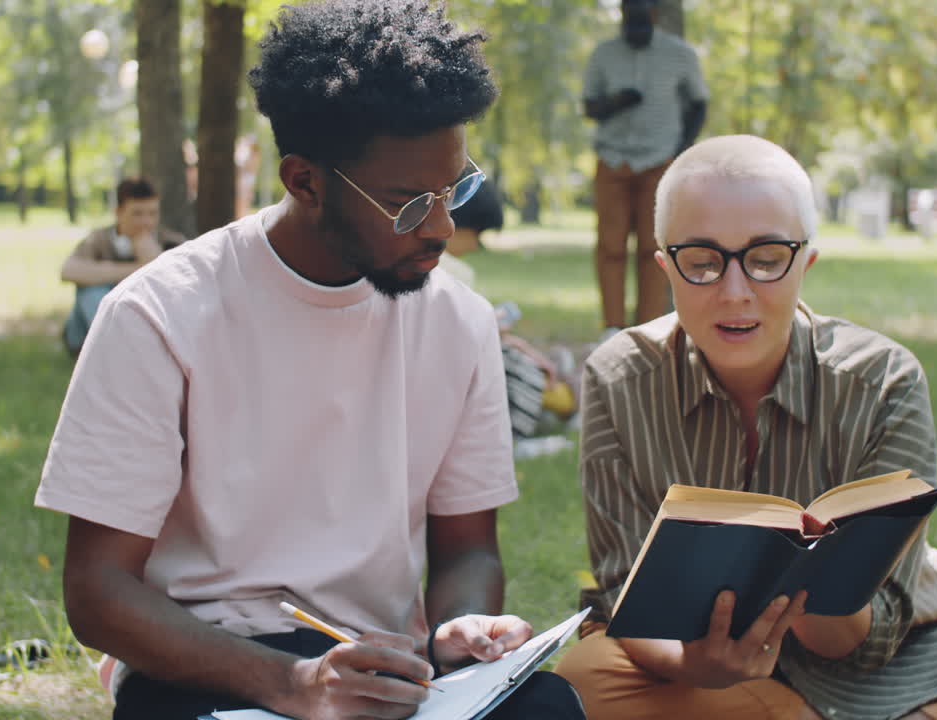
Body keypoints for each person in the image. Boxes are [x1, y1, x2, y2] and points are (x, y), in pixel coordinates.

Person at [34, 2, 585, 718]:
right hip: (204, 666)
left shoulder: (460, 322)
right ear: (305, 183)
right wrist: (292, 684)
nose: (442, 228)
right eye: (408, 204)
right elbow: (97, 592)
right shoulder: (157, 314)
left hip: (378, 668)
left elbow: (469, 550)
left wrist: (461, 629)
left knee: (548, 708)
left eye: (453, 191)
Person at [554, 135, 937, 719]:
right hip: (690, 671)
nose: (735, 292)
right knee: (584, 681)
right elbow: (621, 592)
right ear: (666, 267)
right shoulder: (618, 377)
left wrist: (815, 579)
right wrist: (695, 667)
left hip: (906, 662)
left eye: (766, 259)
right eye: (703, 263)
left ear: (805, 264)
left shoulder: (883, 379)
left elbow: (875, 635)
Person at [583, 0, 707, 337]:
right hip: (613, 161)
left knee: (653, 249)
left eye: (642, 23)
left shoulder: (680, 55)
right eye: (630, 23)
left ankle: (649, 328)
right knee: (610, 246)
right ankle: (612, 326)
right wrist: (615, 102)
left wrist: (680, 152)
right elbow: (589, 107)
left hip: (658, 161)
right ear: (622, 14)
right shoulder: (603, 54)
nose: (635, 30)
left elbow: (698, 104)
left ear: (652, 16)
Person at [58, 178, 187, 357]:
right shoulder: (100, 239)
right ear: (119, 212)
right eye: (137, 214)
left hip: (144, 326)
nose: (146, 222)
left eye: (152, 213)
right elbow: (68, 271)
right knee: (91, 290)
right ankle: (116, 348)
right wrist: (140, 268)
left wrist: (154, 260)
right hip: (85, 332)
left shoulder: (170, 241)